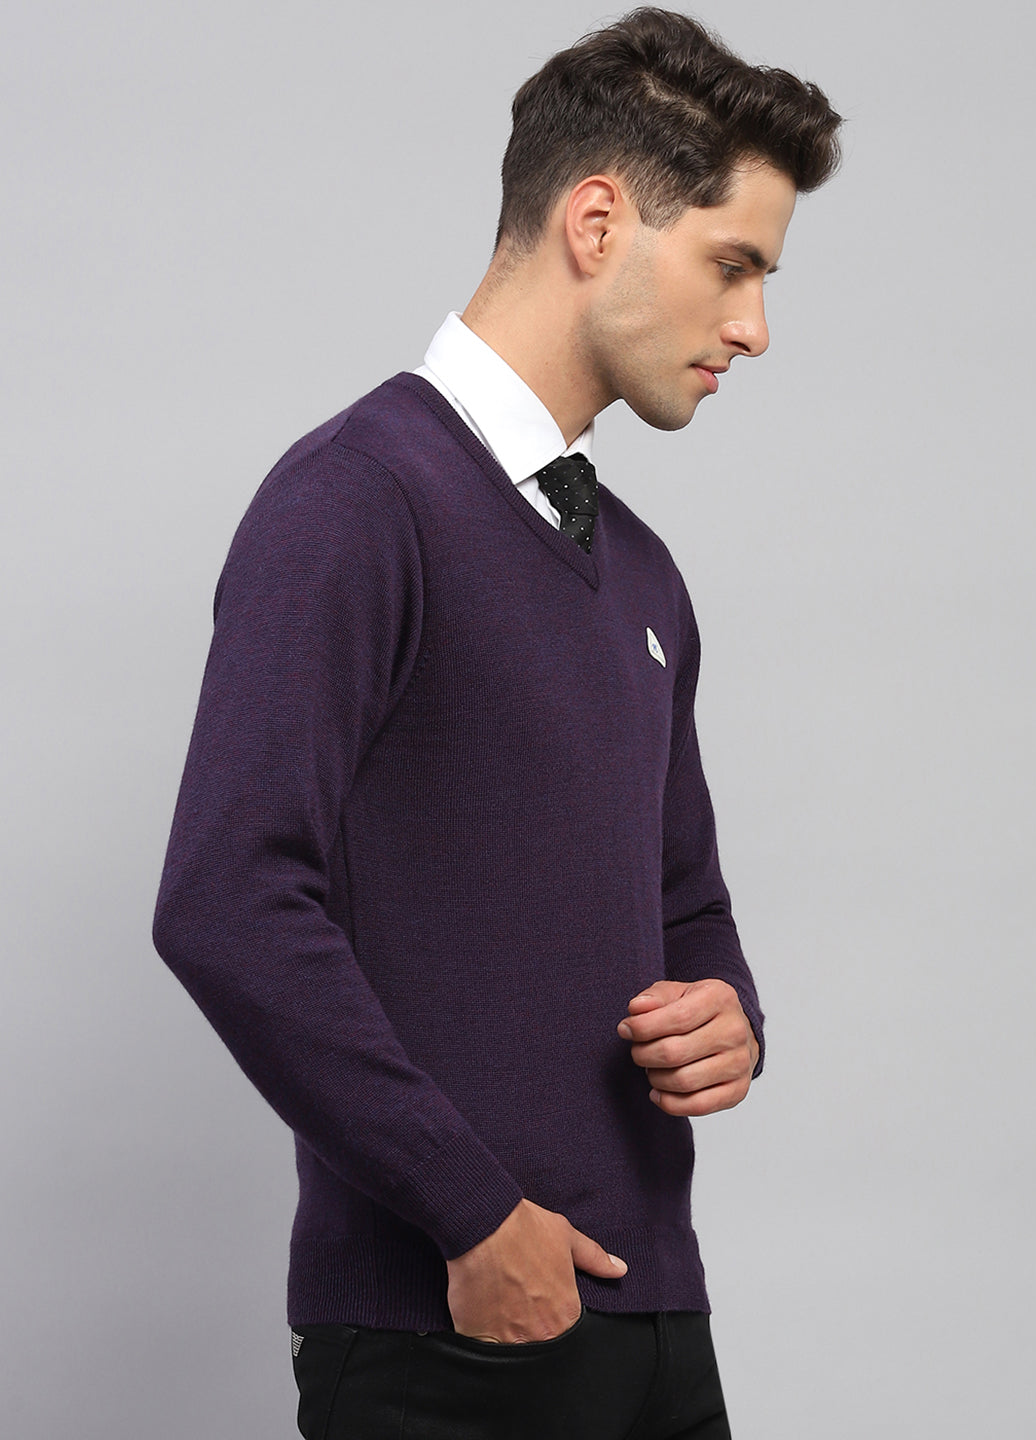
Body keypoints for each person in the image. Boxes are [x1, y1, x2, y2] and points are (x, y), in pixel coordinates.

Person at [152, 8, 841, 1437]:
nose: (754, 330)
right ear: (598, 221)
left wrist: (732, 1016)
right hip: (455, 1338)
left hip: (658, 1324)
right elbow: (227, 897)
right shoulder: (357, 499)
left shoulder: (642, 570)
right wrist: (469, 1214)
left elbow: (685, 901)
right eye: (733, 266)